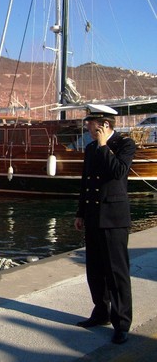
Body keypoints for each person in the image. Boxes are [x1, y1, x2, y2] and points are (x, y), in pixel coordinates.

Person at [74, 104, 136, 345]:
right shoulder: (90, 148)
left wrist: (103, 146)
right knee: (95, 270)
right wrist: (80, 213)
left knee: (116, 272)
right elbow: (85, 182)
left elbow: (119, 171)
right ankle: (100, 312)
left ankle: (121, 322)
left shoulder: (124, 144)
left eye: (91, 123)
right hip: (93, 216)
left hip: (114, 219)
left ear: (105, 125)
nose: (88, 126)